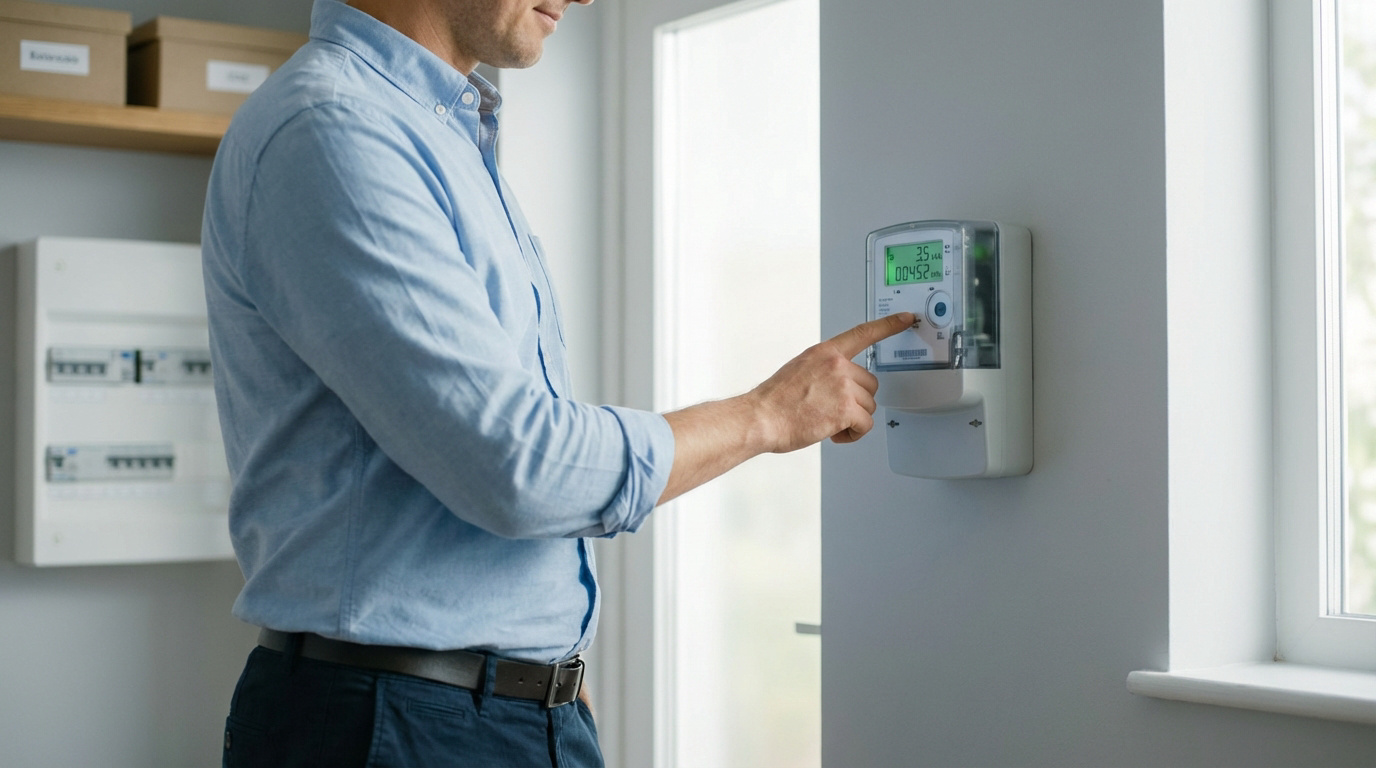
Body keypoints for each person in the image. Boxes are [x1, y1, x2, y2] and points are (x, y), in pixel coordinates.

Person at [202, 0, 914, 765]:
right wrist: (764, 416)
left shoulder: (439, 134)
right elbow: (520, 466)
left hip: (499, 712)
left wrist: (549, 679)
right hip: (398, 725)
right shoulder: (333, 129)